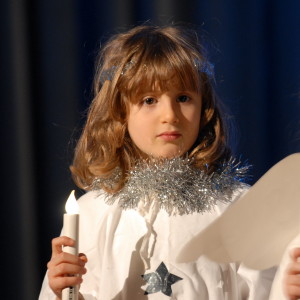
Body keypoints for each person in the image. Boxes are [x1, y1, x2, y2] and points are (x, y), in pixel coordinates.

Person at [39, 25, 275, 300]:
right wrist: (62, 291)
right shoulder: (93, 213)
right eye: (149, 100)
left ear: (204, 106)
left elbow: (268, 290)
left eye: (183, 98)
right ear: (119, 112)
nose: (170, 115)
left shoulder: (238, 207)